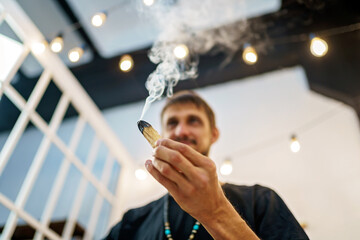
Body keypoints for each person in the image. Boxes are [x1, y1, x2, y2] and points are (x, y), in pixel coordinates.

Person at [104, 90, 309, 240]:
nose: (181, 131)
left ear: (214, 134)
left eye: (193, 121)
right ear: (163, 135)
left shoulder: (261, 201)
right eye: (172, 123)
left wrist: (216, 213)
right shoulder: (133, 222)